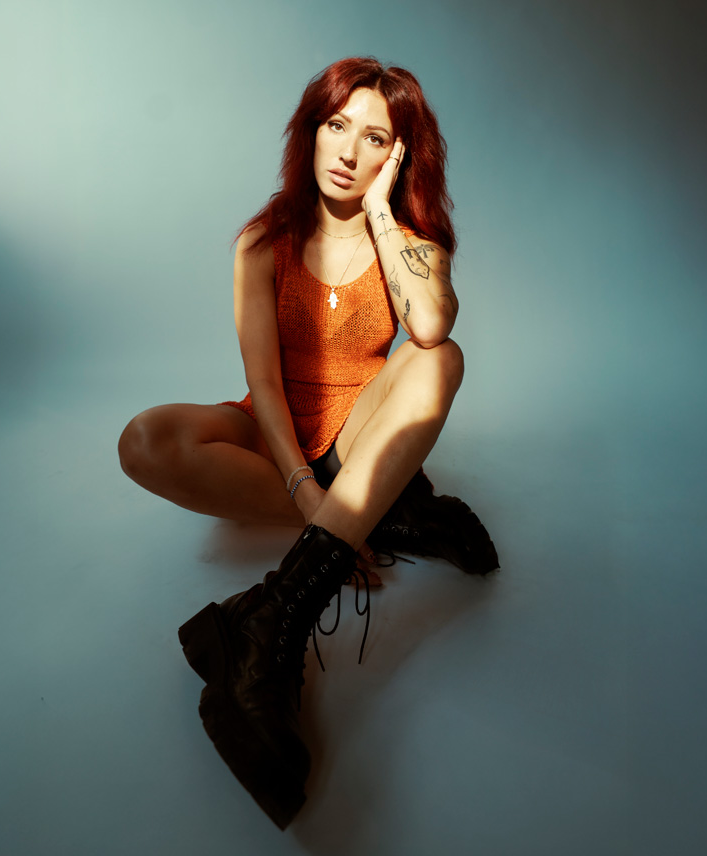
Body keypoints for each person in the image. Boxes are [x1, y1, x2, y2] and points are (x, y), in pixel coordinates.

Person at [118, 56, 498, 829]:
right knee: (145, 440)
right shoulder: (264, 242)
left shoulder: (414, 246)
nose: (348, 151)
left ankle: (271, 618)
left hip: (359, 433)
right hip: (276, 433)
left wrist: (384, 213)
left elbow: (430, 327)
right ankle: (373, 515)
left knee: (440, 360)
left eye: (374, 138)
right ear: (311, 130)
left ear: (398, 155)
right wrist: (308, 494)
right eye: (336, 125)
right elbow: (262, 383)